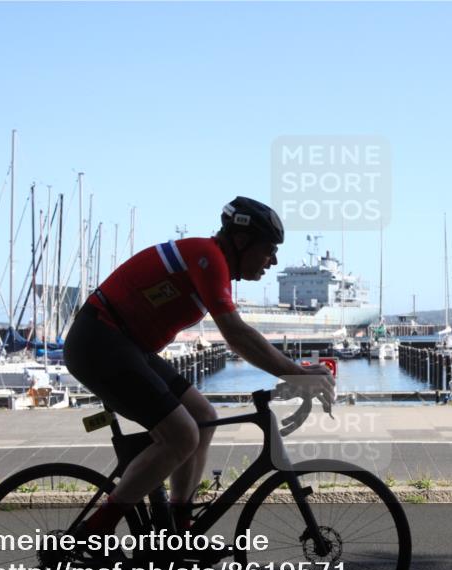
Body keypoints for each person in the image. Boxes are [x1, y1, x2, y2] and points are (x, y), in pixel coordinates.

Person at [63, 196, 335, 537]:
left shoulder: (214, 263)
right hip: (100, 342)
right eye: (268, 248)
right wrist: (297, 373)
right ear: (241, 241)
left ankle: (178, 525)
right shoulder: (208, 258)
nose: (273, 260)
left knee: (204, 419)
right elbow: (237, 335)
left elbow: (240, 336)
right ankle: (95, 531)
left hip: (128, 346)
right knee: (181, 435)